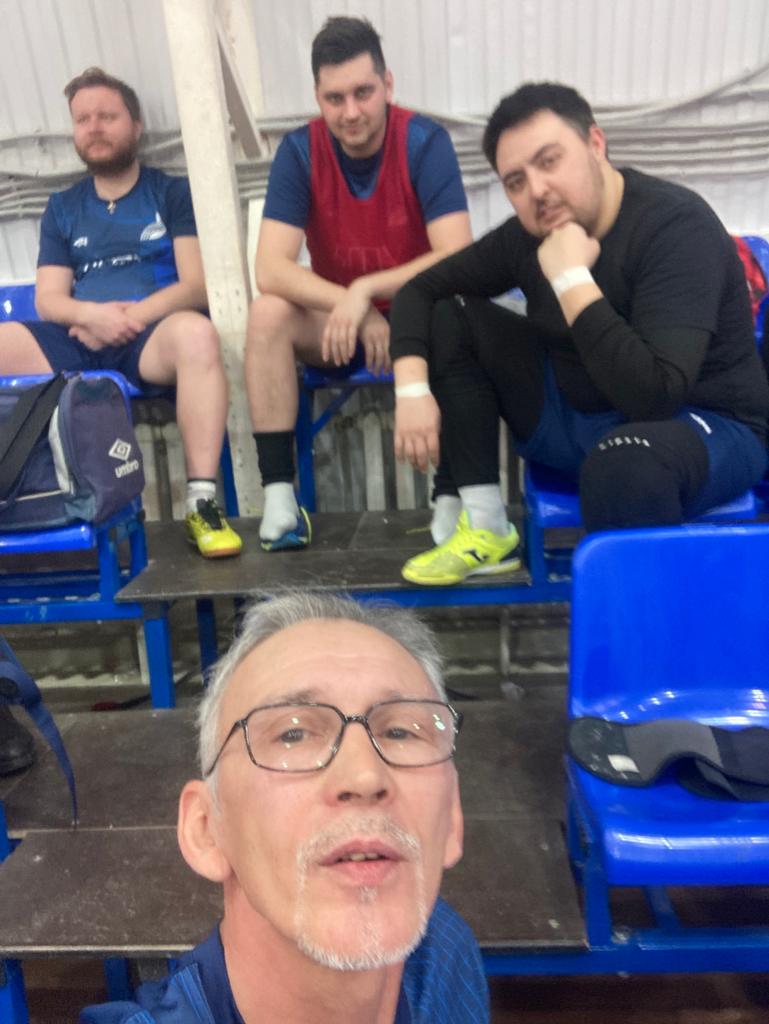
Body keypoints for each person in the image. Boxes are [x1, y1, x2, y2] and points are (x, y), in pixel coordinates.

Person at [389, 81, 769, 585]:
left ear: (595, 143)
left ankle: (641, 627)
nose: (537, 190)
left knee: (626, 466)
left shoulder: (676, 226)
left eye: (550, 161)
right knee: (451, 313)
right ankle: (485, 526)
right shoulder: (527, 236)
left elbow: (654, 394)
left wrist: (570, 278)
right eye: (516, 182)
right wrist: (412, 390)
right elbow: (419, 290)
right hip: (580, 413)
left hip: (702, 423)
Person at [80, 593, 489, 1023]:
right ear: (205, 828)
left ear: (452, 817)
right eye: (292, 734)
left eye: (401, 731)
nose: (365, 776)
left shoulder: (446, 953)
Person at [245, 16, 472, 552]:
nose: (350, 112)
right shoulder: (300, 151)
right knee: (266, 312)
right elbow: (269, 268)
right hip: (341, 325)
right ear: (318, 98)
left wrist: (366, 288)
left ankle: (451, 494)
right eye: (335, 98)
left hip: (420, 319)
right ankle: (278, 499)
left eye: (363, 93)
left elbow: (457, 255)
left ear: (387, 85)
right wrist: (354, 304)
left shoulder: (424, 142)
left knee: (459, 310)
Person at [0, 67, 242, 558]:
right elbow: (50, 299)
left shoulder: (170, 193)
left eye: (107, 116)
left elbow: (195, 285)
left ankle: (201, 503)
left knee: (198, 335)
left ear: (136, 125)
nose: (94, 128)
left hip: (151, 337)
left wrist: (126, 320)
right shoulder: (63, 207)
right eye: (82, 119)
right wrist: (92, 318)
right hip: (79, 339)